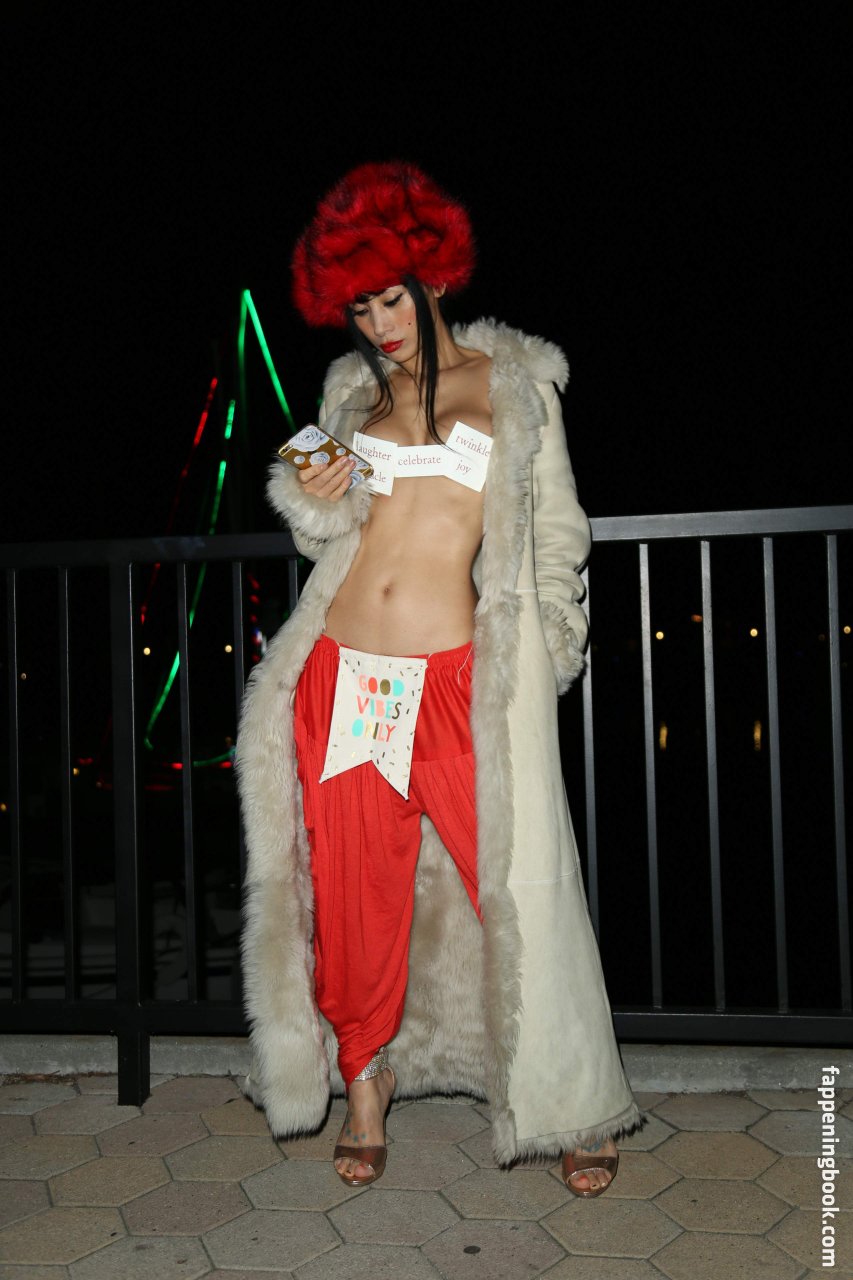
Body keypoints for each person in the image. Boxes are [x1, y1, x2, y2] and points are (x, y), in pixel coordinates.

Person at [236, 161, 641, 1194]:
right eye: (359, 307)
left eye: (390, 298)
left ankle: (570, 1096)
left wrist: (551, 647)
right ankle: (364, 1088)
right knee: (353, 892)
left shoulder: (515, 384)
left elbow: (557, 536)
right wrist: (313, 486)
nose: (378, 324)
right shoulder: (346, 393)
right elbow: (326, 530)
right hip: (348, 675)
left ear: (431, 280)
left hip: (459, 679)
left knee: (519, 886)